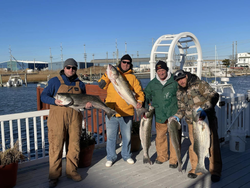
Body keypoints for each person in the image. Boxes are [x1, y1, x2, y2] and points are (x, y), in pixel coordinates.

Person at [41, 58, 92, 188]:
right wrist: (54, 102)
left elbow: (84, 99)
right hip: (57, 118)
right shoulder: (54, 81)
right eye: (68, 67)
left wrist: (87, 105)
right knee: (56, 146)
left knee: (74, 145)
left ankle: (71, 171)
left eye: (73, 68)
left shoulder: (80, 84)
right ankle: (54, 176)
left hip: (75, 118)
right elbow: (44, 96)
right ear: (64, 68)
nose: (71, 70)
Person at [172, 69, 222, 182]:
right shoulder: (179, 92)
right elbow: (181, 108)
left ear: (186, 76)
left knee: (212, 145)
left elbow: (214, 96)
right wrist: (177, 117)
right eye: (178, 80)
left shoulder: (200, 84)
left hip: (207, 120)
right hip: (192, 123)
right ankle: (196, 168)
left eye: (181, 78)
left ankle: (215, 170)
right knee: (195, 145)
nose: (180, 82)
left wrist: (203, 108)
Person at [98, 54, 145, 167]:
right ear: (120, 63)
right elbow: (101, 85)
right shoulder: (111, 77)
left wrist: (140, 102)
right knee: (111, 137)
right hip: (112, 110)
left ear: (130, 64)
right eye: (124, 62)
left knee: (127, 136)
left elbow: (139, 92)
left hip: (127, 111)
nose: (125, 64)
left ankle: (126, 155)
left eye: (128, 63)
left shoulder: (133, 78)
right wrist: (107, 74)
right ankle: (111, 157)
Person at [144, 60, 180, 168]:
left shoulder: (174, 81)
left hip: (173, 115)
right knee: (160, 138)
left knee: (174, 138)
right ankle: (162, 156)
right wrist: (145, 109)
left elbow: (182, 96)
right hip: (159, 115)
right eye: (158, 71)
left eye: (163, 70)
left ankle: (174, 160)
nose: (161, 73)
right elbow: (146, 96)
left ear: (166, 70)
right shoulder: (152, 83)